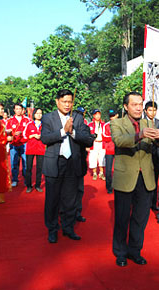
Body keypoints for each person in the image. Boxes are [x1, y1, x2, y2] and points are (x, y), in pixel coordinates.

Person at [111, 92, 159, 267]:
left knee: (140, 218)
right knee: (121, 218)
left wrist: (158, 137)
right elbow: (119, 141)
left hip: (146, 177)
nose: (138, 107)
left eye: (140, 104)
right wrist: (140, 135)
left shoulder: (148, 122)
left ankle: (135, 251)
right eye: (134, 104)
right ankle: (120, 252)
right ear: (126, 106)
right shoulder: (117, 123)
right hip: (125, 177)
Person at [41, 89, 94, 244]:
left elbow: (88, 139)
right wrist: (63, 131)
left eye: (70, 102)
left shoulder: (77, 117)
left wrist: (73, 133)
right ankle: (52, 229)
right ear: (57, 101)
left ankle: (68, 227)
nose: (67, 105)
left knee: (70, 199)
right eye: (64, 101)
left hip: (73, 163)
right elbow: (45, 138)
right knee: (52, 199)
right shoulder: (48, 118)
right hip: (54, 163)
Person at [6, 103, 29, 187]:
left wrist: (22, 133)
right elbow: (7, 132)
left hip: (24, 143)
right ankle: (15, 179)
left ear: (22, 110)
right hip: (14, 144)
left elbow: (29, 131)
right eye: (17, 109)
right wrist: (12, 133)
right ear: (14, 110)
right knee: (14, 162)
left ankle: (26, 180)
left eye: (20, 109)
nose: (18, 110)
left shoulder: (27, 120)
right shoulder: (10, 120)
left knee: (25, 162)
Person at [144, 101, 159, 211]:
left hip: (157, 155)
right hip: (144, 154)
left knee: (155, 180)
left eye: (154, 110)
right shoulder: (141, 123)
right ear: (145, 111)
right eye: (150, 110)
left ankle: (153, 202)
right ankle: (143, 203)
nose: (152, 112)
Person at [24, 108, 45, 193]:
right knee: (28, 168)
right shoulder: (29, 124)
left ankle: (38, 185)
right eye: (37, 113)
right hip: (30, 149)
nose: (39, 115)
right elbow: (25, 136)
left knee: (39, 169)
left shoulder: (45, 125)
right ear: (34, 114)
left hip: (41, 149)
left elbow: (47, 135)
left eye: (40, 113)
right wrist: (32, 135)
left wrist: (41, 136)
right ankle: (29, 185)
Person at [102, 109, 118, 194]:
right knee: (108, 170)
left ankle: (118, 186)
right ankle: (109, 187)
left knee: (119, 169)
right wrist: (114, 136)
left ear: (117, 115)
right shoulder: (106, 125)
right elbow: (104, 136)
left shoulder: (121, 124)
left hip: (119, 149)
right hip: (109, 149)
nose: (112, 117)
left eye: (113, 115)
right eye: (110, 116)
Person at [88, 109, 106, 180]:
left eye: (99, 114)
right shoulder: (90, 125)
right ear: (93, 115)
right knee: (93, 158)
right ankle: (95, 173)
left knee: (102, 158)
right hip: (94, 143)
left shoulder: (103, 124)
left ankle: (101, 173)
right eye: (96, 114)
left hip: (102, 143)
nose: (98, 116)